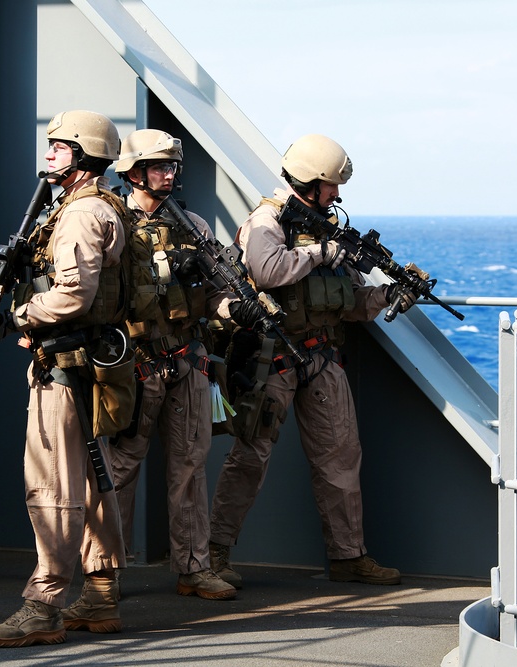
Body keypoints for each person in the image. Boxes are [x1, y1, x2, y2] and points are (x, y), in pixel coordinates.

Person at [208, 134, 417, 588]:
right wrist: (321, 253)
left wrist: (388, 295)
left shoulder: (325, 228)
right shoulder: (268, 220)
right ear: (310, 181)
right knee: (250, 457)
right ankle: (215, 553)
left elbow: (349, 301)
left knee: (341, 457)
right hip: (273, 357)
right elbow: (266, 270)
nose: (337, 194)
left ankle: (349, 556)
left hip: (322, 356)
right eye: (331, 185)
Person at [0, 110, 134, 647]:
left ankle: (43, 605)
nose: (49, 155)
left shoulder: (81, 215)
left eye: (60, 148)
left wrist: (17, 314)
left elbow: (72, 294)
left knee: (54, 486)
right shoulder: (101, 206)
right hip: (89, 363)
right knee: (94, 479)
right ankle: (100, 593)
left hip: (65, 368)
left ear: (85, 157)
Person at [108, 129, 264, 600]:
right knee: (120, 468)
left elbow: (214, 294)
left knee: (191, 465)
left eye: (172, 166)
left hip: (186, 360)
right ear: (134, 172)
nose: (169, 174)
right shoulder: (113, 222)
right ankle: (104, 572)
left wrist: (233, 310)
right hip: (135, 361)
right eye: (159, 166)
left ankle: (193, 567)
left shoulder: (193, 224)